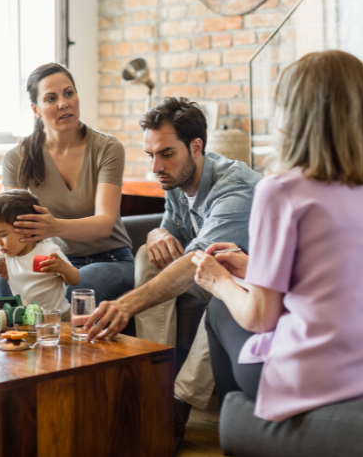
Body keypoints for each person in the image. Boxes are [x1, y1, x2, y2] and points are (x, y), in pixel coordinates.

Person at [192, 50, 363, 422]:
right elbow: (348, 277)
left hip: (317, 378)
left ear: (292, 115)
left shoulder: (284, 190)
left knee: (220, 308)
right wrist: (252, 266)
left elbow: (260, 318)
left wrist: (219, 281)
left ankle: (243, 430)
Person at [83, 96, 262, 450]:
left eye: (166, 153)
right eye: (150, 155)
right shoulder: (177, 181)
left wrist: (126, 305)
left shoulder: (236, 188)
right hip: (214, 275)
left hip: (253, 285)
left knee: (221, 291)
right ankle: (155, 384)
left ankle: (178, 403)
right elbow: (168, 235)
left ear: (196, 147)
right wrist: (156, 233)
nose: (156, 166)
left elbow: (200, 261)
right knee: (149, 254)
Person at [0, 63, 134, 304]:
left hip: (108, 259)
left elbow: (104, 224)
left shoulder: (108, 149)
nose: (63, 103)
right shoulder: (17, 157)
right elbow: (16, 226)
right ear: (35, 109)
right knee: (1, 282)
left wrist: (54, 227)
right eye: (51, 98)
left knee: (74, 291)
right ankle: (24, 341)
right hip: (49, 258)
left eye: (69, 93)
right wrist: (5, 251)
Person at [0, 189, 79, 320]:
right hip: (28, 317)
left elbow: (74, 280)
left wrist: (63, 268)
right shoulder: (4, 254)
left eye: (3, 235)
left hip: (59, 317)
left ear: (26, 230)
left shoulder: (48, 251)